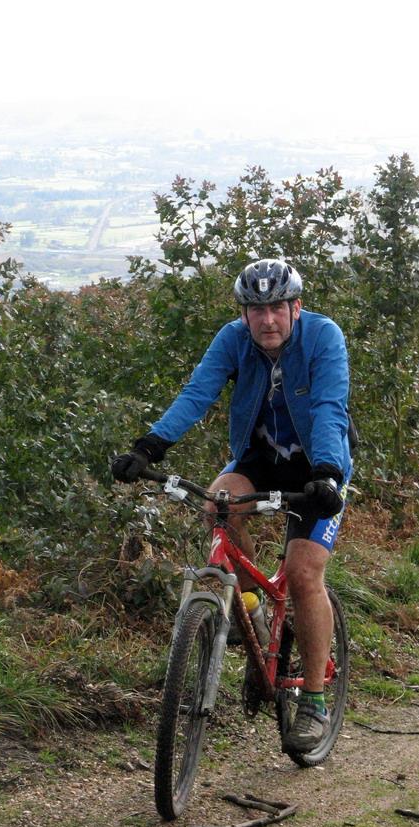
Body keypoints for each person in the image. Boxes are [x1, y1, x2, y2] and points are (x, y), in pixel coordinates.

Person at [111, 259, 352, 752]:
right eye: (256, 310)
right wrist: (150, 447)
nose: (268, 319)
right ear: (244, 314)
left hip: (318, 467)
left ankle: (313, 700)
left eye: (277, 308)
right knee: (218, 505)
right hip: (259, 459)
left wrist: (328, 472)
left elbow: (329, 407)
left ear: (296, 307)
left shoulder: (323, 337)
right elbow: (196, 394)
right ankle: (252, 610)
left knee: (303, 573)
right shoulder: (232, 340)